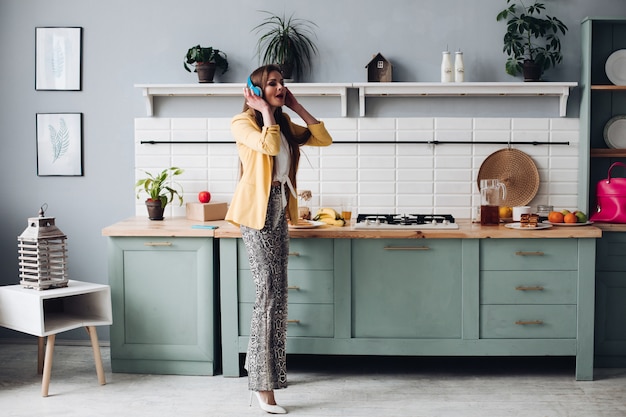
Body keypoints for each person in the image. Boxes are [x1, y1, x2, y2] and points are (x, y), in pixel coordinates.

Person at [225, 64, 332, 414]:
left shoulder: (284, 124)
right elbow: (268, 148)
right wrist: (266, 111)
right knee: (267, 296)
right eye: (272, 83)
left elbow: (322, 137)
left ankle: (269, 373)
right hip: (256, 215)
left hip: (279, 209)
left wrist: (296, 107)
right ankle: (261, 383)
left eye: (283, 83)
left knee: (278, 297)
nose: (280, 86)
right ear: (254, 90)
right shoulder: (242, 123)